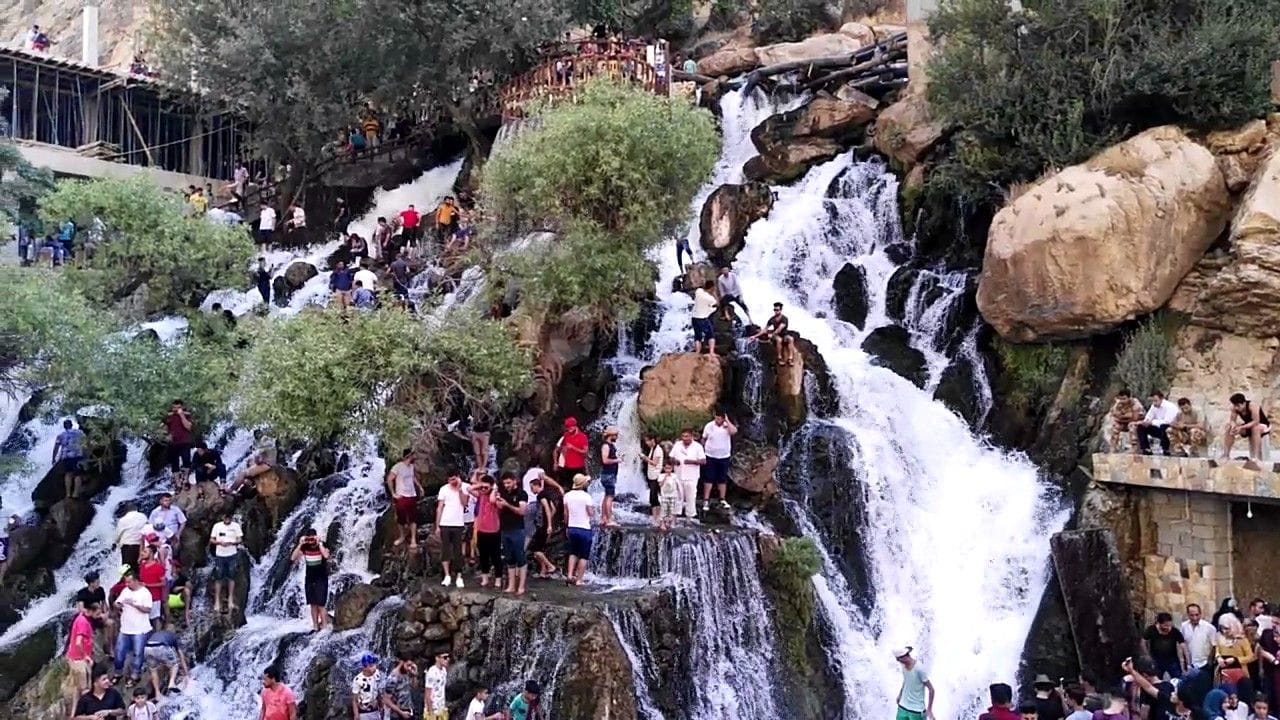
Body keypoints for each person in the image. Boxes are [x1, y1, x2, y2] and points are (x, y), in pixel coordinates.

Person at [112, 570, 152, 684]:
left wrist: (134, 604)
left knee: (138, 653)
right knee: (119, 651)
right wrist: (118, 604)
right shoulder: (125, 591)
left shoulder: (145, 593)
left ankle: (135, 675)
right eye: (126, 582)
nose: (127, 584)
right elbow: (116, 603)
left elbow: (148, 609)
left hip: (140, 629)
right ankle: (117, 672)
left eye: (129, 582)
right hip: (125, 628)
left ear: (135, 581)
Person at [434, 471, 471, 588]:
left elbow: (465, 503)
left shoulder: (465, 487)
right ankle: (447, 575)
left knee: (458, 551)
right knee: (445, 550)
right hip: (445, 523)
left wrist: (460, 489)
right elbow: (439, 508)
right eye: (450, 480)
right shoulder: (443, 489)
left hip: (458, 523)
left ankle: (459, 576)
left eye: (454, 479)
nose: (452, 482)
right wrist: (437, 525)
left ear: (458, 478)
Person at [291, 527, 330, 632]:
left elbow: (326, 555)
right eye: (309, 538)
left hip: (321, 578)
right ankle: (315, 626)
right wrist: (300, 544)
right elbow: (293, 558)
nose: (311, 541)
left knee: (321, 604)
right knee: (313, 604)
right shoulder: (305, 547)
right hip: (310, 579)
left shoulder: (323, 545)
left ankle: (325, 627)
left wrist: (319, 543)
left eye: (312, 538)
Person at [496, 472, 529, 595]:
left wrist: (507, 505)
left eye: (509, 483)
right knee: (509, 558)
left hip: (517, 529)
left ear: (515, 481)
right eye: (504, 483)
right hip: (505, 529)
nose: (506, 485)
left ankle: (521, 586)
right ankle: (511, 585)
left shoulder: (522, 494)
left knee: (520, 557)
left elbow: (522, 511)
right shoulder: (504, 493)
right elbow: (499, 507)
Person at [386, 449, 424, 550]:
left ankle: (413, 540)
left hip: (411, 495)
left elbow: (413, 478)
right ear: (409, 456)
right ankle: (402, 536)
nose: (415, 456)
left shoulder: (411, 466)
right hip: (401, 495)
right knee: (401, 518)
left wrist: (419, 487)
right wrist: (393, 493)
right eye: (413, 455)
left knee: (413, 518)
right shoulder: (398, 467)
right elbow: (389, 479)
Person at [471, 474, 504, 588]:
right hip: (481, 530)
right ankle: (485, 577)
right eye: (482, 487)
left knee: (495, 556)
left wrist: (493, 489)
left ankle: (498, 579)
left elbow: (493, 500)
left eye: (486, 487)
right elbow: (469, 489)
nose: (484, 489)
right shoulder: (480, 495)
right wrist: (480, 484)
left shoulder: (496, 495)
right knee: (483, 555)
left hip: (493, 531)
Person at [527, 473, 563, 578]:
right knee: (541, 549)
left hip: (542, 525)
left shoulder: (541, 495)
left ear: (535, 486)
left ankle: (550, 566)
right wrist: (550, 520)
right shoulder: (546, 494)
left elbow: (547, 508)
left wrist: (549, 525)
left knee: (535, 549)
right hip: (545, 523)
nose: (531, 490)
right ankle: (543, 572)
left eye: (531, 487)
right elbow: (553, 509)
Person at [64, 600, 97, 713]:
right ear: (90, 611)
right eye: (97, 613)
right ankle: (89, 713)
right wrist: (86, 656)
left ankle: (74, 713)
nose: (98, 615)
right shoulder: (83, 622)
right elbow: (79, 641)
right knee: (85, 688)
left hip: (72, 657)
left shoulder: (79, 617)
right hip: (80, 660)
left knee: (76, 687)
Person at [701, 411, 736, 512]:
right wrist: (703, 451)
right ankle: (706, 499)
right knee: (708, 478)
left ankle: (722, 499)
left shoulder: (727, 426)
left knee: (722, 478)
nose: (717, 420)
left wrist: (727, 421)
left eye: (720, 418)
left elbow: (734, 431)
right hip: (710, 455)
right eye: (716, 418)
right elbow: (703, 439)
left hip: (724, 456)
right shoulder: (709, 426)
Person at [210, 508, 244, 613]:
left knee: (231, 577)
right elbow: (212, 539)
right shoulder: (217, 526)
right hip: (220, 554)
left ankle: (230, 600)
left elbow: (240, 539)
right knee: (218, 577)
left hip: (232, 554)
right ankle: (217, 601)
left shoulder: (236, 526)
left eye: (229, 518)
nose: (227, 520)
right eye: (225, 518)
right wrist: (219, 543)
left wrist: (232, 543)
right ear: (222, 518)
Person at [563, 474, 595, 586]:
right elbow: (591, 513)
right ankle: (579, 580)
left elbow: (566, 513)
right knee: (583, 556)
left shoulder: (567, 496)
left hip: (572, 528)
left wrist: (567, 526)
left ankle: (570, 575)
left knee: (573, 552)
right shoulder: (586, 497)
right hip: (584, 529)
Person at [668, 428, 706, 520]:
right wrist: (674, 461)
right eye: (683, 436)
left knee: (691, 497)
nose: (684, 438)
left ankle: (689, 518)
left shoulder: (697, 447)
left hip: (691, 476)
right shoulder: (677, 445)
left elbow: (703, 461)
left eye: (687, 436)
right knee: (677, 497)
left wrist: (692, 462)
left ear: (691, 436)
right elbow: (670, 457)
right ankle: (674, 517)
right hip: (678, 475)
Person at [1224, 393, 1271, 460]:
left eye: (1238, 405)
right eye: (1235, 405)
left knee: (1255, 428)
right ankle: (1226, 455)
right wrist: (1233, 426)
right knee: (1229, 428)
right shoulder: (1235, 408)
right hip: (1248, 425)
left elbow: (1256, 421)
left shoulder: (1253, 406)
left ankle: (1255, 457)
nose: (1236, 407)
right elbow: (1232, 420)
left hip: (1262, 425)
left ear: (1244, 403)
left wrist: (1241, 427)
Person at [1218, 614, 1257, 692]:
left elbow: (1251, 657)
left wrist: (1235, 659)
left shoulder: (1242, 640)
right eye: (1222, 629)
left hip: (1240, 673)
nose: (1224, 631)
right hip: (1224, 673)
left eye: (1227, 629)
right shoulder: (1220, 638)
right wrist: (1218, 658)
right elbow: (1217, 651)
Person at [1143, 611, 1188, 679]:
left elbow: (1183, 646)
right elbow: (1143, 641)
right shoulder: (1151, 630)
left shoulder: (1174, 631)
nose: (1168, 628)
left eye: (1170, 625)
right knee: (1156, 680)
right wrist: (1146, 655)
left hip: (1172, 660)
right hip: (1156, 660)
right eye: (1166, 625)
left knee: (1178, 679)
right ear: (1159, 623)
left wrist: (1188, 662)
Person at [142, 626, 187, 694]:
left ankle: (157, 693)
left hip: (147, 648)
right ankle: (171, 683)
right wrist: (186, 674)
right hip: (160, 646)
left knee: (153, 670)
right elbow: (181, 656)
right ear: (173, 631)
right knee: (174, 665)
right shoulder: (173, 636)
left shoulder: (158, 634)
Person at [231, 429, 277, 495]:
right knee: (249, 461)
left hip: (267, 464)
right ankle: (250, 482)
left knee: (243, 473)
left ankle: (231, 490)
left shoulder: (262, 443)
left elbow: (258, 461)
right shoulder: (269, 440)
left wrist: (256, 462)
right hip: (272, 462)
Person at [750, 302, 797, 366]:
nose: (776, 311)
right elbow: (765, 329)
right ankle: (779, 358)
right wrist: (755, 336)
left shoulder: (784, 318)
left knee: (791, 339)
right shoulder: (772, 319)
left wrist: (772, 334)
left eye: (777, 310)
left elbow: (780, 328)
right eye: (774, 310)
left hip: (783, 334)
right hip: (776, 335)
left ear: (780, 310)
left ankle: (790, 358)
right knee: (779, 340)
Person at [894, 647, 935, 720]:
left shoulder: (919, 669)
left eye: (899, 659)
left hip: (917, 710)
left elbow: (931, 690)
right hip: (903, 706)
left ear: (905, 657)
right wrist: (900, 695)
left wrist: (929, 710)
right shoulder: (903, 666)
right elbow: (906, 681)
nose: (898, 662)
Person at [163, 400, 195, 486]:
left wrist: (181, 415)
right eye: (174, 407)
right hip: (173, 443)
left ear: (182, 407)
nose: (176, 409)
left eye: (178, 408)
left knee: (186, 460)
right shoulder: (169, 417)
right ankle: (178, 483)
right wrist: (166, 435)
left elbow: (188, 427)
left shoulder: (187, 415)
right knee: (174, 463)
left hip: (185, 441)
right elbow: (165, 428)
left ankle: (186, 480)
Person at [54, 418, 88, 499]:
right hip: (78, 456)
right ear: (72, 425)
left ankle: (68, 494)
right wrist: (85, 455)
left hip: (67, 457)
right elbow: (85, 444)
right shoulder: (80, 433)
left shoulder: (61, 435)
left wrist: (54, 458)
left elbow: (56, 447)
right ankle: (75, 494)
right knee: (78, 475)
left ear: (64, 426)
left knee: (68, 474)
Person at [1137, 390, 1178, 455]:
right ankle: (1146, 448)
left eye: (1155, 401)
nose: (1154, 403)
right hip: (1158, 428)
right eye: (1152, 401)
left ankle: (1165, 449)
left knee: (1163, 426)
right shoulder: (1154, 406)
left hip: (1169, 429)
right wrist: (1145, 422)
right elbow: (1149, 417)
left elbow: (1168, 421)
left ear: (1161, 399)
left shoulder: (1170, 407)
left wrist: (1152, 422)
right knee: (1141, 427)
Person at [553, 417, 589, 486]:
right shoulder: (565, 435)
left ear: (575, 426)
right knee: (568, 485)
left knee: (581, 485)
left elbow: (585, 452)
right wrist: (556, 462)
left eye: (571, 427)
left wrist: (573, 448)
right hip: (567, 467)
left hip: (579, 467)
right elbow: (557, 449)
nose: (569, 429)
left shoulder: (582, 437)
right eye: (567, 427)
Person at [1182, 603, 1217, 672]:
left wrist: (1210, 662)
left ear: (1200, 614)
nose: (1195, 618)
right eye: (1192, 615)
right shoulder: (1184, 626)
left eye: (1197, 615)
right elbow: (1183, 644)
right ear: (1188, 615)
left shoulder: (1209, 628)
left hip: (1205, 664)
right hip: (1190, 664)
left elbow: (1214, 646)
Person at [381, 654, 417, 720]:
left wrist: (414, 675)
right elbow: (386, 699)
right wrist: (401, 712)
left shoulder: (407, 672)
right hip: (397, 714)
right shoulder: (393, 677)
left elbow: (414, 687)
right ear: (401, 662)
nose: (409, 668)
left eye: (411, 665)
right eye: (408, 665)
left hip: (409, 709)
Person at [115, 502, 148, 572]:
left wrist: (116, 542)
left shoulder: (123, 520)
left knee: (127, 569)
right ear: (136, 509)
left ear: (126, 511)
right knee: (139, 567)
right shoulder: (143, 517)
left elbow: (118, 535)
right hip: (142, 547)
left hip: (128, 547)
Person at [598, 426, 621, 527]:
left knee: (606, 496)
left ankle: (603, 518)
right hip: (608, 474)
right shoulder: (606, 446)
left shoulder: (610, 445)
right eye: (615, 435)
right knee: (610, 497)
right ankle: (609, 519)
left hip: (609, 474)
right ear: (611, 435)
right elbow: (605, 460)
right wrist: (617, 460)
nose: (617, 437)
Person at [350, 653, 383, 720]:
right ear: (364, 667)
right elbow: (355, 700)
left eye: (374, 665)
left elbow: (379, 690)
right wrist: (356, 714)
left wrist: (381, 705)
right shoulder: (358, 680)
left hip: (376, 710)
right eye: (371, 666)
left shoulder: (377, 674)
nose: (374, 667)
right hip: (364, 712)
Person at [691, 279, 718, 355]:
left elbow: (701, 286)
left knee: (697, 336)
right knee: (711, 335)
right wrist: (714, 294)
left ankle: (697, 352)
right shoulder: (710, 298)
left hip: (694, 317)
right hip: (702, 318)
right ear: (712, 288)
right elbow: (716, 304)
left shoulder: (698, 291)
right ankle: (711, 352)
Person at [643, 434, 665, 525]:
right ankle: (654, 517)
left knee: (654, 497)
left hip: (656, 476)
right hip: (651, 476)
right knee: (652, 498)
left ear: (652, 440)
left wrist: (645, 458)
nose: (646, 443)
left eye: (647, 441)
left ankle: (658, 516)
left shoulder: (658, 450)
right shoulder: (653, 449)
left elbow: (655, 463)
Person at [423, 651, 450, 720]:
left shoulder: (444, 671)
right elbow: (427, 694)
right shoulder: (431, 672)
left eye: (448, 657)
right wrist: (431, 713)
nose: (447, 659)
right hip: (433, 710)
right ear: (437, 658)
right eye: (445, 657)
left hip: (441, 708)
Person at [656, 460, 682, 531]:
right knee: (663, 510)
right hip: (664, 496)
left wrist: (680, 494)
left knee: (671, 510)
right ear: (664, 468)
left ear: (672, 468)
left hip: (673, 496)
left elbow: (678, 485)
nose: (668, 470)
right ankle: (662, 523)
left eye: (669, 468)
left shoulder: (674, 476)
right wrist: (665, 478)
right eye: (666, 468)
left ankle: (669, 522)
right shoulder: (661, 476)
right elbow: (660, 485)